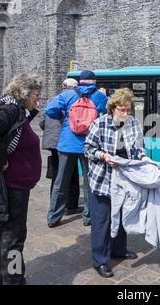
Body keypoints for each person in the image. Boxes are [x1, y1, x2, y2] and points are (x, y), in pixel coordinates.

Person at [0, 74, 42, 285]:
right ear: (25, 93)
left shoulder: (17, 110)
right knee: (14, 238)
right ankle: (14, 281)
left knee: (5, 235)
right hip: (14, 187)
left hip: (16, 185)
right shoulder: (11, 110)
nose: (38, 100)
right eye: (36, 95)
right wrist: (2, 160)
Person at [84, 88, 150, 278]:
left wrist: (144, 157)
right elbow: (88, 149)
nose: (126, 113)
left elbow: (138, 148)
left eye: (128, 110)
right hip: (103, 180)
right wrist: (104, 155)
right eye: (122, 109)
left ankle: (119, 250)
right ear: (113, 108)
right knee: (102, 220)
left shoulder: (133, 124)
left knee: (122, 216)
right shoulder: (100, 124)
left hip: (125, 180)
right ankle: (100, 260)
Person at [45, 70, 108, 227]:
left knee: (61, 181)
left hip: (68, 142)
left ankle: (53, 217)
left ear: (80, 81)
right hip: (90, 144)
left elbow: (49, 110)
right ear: (93, 82)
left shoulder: (68, 95)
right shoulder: (99, 96)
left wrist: (65, 117)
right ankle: (88, 217)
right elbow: (109, 112)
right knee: (90, 181)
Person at [39, 78, 82, 216]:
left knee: (57, 175)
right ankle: (70, 206)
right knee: (72, 174)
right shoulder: (74, 100)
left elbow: (42, 122)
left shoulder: (52, 100)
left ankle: (55, 204)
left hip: (51, 142)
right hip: (65, 143)